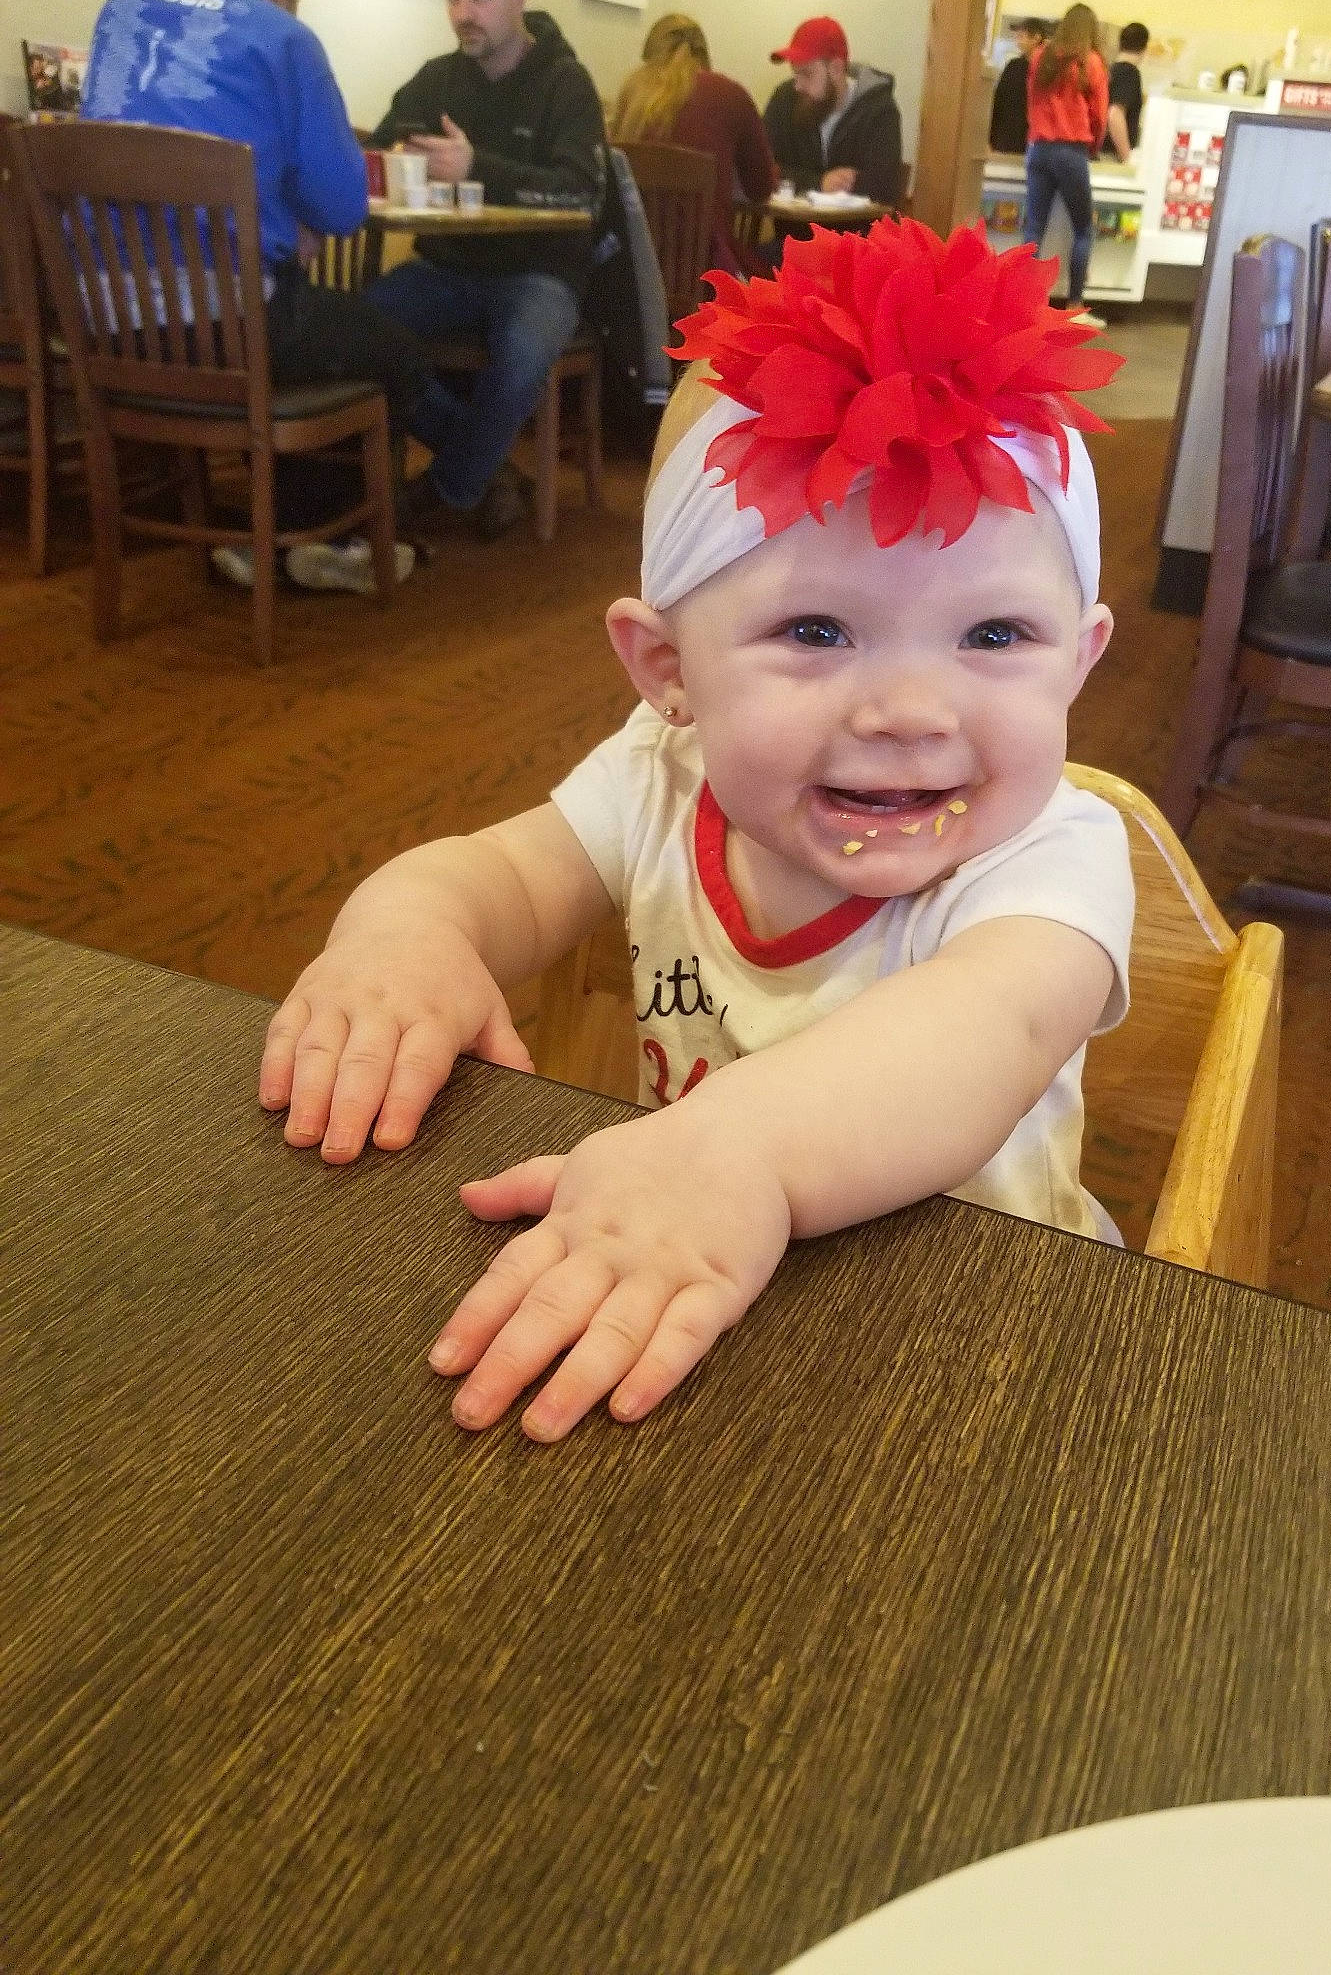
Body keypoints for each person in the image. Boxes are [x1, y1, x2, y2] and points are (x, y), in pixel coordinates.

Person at [258, 217, 1129, 1444]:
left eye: (995, 636)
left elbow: (980, 1032)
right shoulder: (662, 778)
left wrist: (747, 1156)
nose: (910, 714)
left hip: (983, 1346)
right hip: (682, 1274)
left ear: (1079, 661)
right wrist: (408, 935)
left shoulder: (1054, 857)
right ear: (668, 669)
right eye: (819, 631)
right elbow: (501, 870)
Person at [80, 0, 456, 594]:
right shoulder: (281, 36)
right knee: (392, 353)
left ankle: (265, 535)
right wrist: (290, 221)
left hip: (110, 320)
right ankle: (332, 543)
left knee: (307, 319)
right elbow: (342, 209)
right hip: (224, 325)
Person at [365, 0, 607, 540]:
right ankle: (487, 464)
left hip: (539, 273)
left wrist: (478, 168)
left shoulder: (565, 83)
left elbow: (579, 191)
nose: (463, 14)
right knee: (360, 327)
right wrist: (402, 147)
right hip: (449, 265)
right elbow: (389, 132)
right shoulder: (439, 77)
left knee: (522, 355)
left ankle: (450, 487)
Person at [610, 14, 778, 276]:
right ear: (705, 55)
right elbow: (761, 188)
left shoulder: (630, 94)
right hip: (705, 275)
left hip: (632, 277)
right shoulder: (729, 94)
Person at [1020, 3, 1110, 326]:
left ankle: (1023, 305)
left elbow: (1031, 102)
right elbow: (1099, 115)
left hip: (1039, 149)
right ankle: (1073, 307)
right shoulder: (1092, 63)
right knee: (1083, 229)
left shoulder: (1040, 57)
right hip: (1071, 152)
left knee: (1033, 228)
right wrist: (1095, 147)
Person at [761, 17, 903, 210]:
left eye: (807, 74)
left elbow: (886, 189)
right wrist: (819, 183)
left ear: (836, 69)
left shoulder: (879, 110)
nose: (797, 85)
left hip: (854, 238)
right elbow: (760, 168)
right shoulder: (785, 100)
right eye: (795, 73)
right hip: (794, 237)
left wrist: (847, 184)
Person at [988, 16, 1052, 156]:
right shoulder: (1014, 66)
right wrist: (991, 137)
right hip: (1008, 136)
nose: (1017, 40)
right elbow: (999, 100)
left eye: (1021, 36)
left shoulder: (1048, 69)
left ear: (1036, 37)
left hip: (1033, 138)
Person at [1105, 21, 1149, 163]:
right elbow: (1115, 114)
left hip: (1101, 150)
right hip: (1113, 154)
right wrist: (1127, 158)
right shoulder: (1129, 72)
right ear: (1144, 47)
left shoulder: (1111, 70)